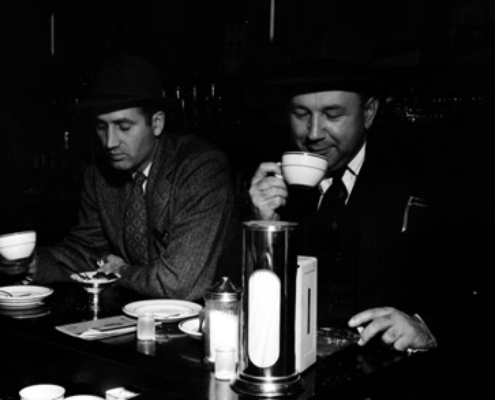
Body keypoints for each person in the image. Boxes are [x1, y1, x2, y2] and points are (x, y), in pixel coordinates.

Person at [249, 23, 442, 354]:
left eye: (332, 114)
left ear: (369, 113)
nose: (313, 133)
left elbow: (468, 278)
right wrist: (263, 226)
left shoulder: (418, 174)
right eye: (301, 114)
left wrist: (425, 326)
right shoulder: (275, 186)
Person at [1, 54, 237, 301]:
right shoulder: (99, 175)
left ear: (157, 123)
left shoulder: (201, 168)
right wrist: (32, 264)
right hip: (137, 313)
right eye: (101, 127)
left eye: (124, 127)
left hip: (211, 316)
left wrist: (120, 271)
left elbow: (178, 284)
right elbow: (85, 251)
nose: (110, 142)